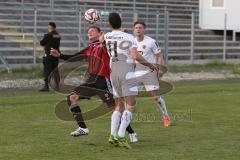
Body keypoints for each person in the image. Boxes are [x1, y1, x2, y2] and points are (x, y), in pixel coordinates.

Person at [50, 25, 136, 137]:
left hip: (103, 82)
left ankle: (131, 132)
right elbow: (74, 57)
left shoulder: (106, 45)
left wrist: (118, 34)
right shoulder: (90, 48)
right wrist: (59, 55)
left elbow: (112, 43)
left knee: (115, 110)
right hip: (91, 81)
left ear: (100, 33)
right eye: (88, 31)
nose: (89, 33)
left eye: (92, 31)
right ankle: (83, 128)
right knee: (72, 98)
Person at [104, 13, 157, 149]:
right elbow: (135, 55)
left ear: (109, 24)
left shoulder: (107, 36)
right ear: (121, 22)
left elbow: (111, 38)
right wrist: (150, 65)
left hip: (113, 71)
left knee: (119, 105)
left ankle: (112, 135)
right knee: (131, 106)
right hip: (126, 70)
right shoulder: (129, 37)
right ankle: (121, 136)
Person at [134, 21, 171, 127]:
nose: (138, 29)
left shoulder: (151, 42)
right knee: (130, 97)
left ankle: (166, 117)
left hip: (149, 73)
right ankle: (125, 119)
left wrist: (160, 70)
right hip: (135, 73)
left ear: (144, 29)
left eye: (140, 27)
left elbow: (159, 56)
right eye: (136, 27)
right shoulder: (131, 42)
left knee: (156, 98)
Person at [39, 22, 61, 91]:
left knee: (47, 71)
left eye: (48, 28)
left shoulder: (47, 35)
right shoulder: (58, 35)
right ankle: (57, 86)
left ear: (50, 28)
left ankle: (46, 86)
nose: (48, 29)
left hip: (49, 55)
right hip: (56, 55)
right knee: (55, 71)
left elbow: (42, 43)